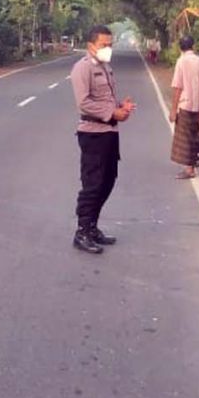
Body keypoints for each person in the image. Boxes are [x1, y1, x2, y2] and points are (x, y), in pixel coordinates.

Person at [71, 25, 136, 254]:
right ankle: (82, 231)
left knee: (108, 180)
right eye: (103, 45)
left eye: (110, 45)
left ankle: (93, 227)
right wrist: (112, 113)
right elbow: (84, 103)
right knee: (93, 184)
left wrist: (121, 108)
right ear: (91, 45)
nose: (108, 49)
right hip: (92, 133)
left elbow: (107, 101)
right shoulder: (83, 68)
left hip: (109, 132)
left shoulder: (106, 68)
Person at [169, 35, 199, 179]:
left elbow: (177, 87)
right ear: (193, 46)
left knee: (184, 138)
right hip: (197, 104)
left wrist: (173, 109)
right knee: (194, 136)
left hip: (185, 104)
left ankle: (189, 169)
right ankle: (192, 163)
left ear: (181, 47)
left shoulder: (181, 62)